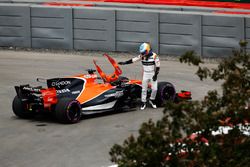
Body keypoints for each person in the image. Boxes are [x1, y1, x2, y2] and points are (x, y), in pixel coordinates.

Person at [118, 43, 160, 110]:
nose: (143, 54)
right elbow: (133, 60)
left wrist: (155, 75)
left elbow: (158, 66)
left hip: (152, 73)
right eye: (142, 52)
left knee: (155, 89)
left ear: (148, 50)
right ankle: (143, 102)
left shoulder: (155, 56)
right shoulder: (142, 56)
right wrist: (124, 63)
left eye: (144, 52)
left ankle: (152, 100)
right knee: (144, 89)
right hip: (145, 74)